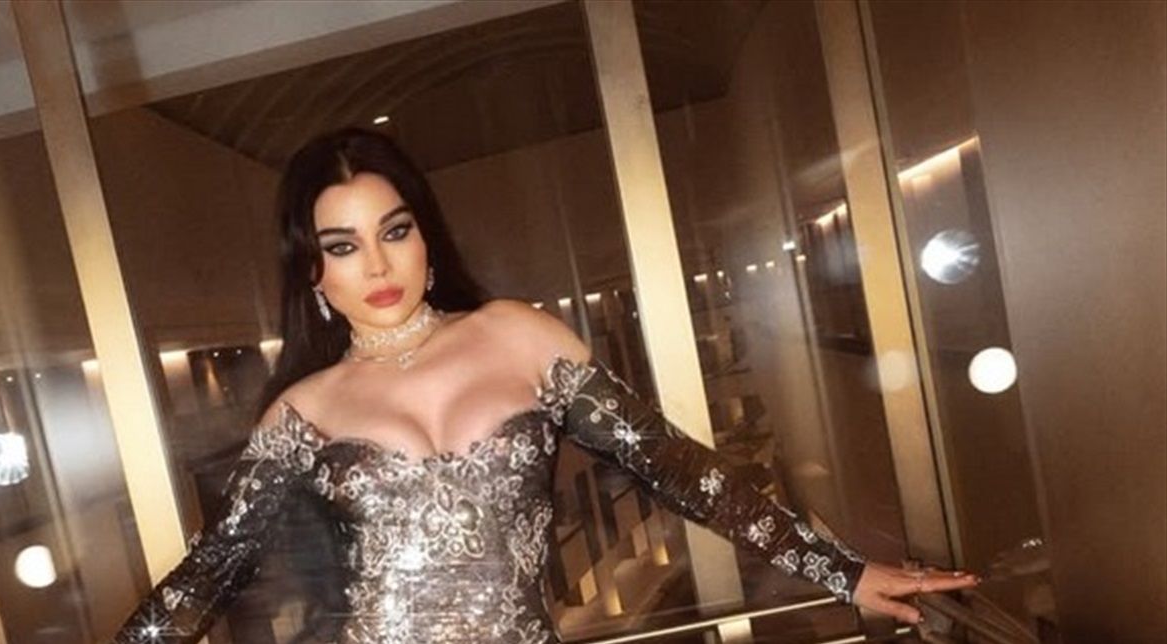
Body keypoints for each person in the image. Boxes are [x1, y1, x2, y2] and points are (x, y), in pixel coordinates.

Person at [112, 128, 978, 643]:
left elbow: (677, 468)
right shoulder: (302, 411)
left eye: (394, 231)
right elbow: (208, 575)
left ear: (425, 237)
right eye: (343, 247)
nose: (375, 264)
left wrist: (842, 571)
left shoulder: (517, 337)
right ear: (313, 273)